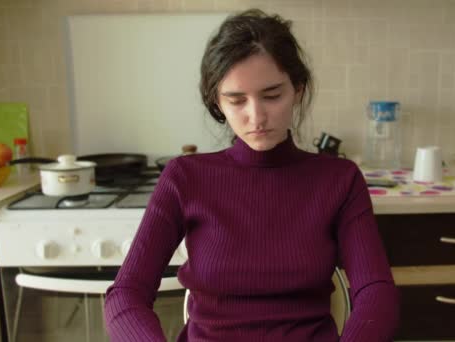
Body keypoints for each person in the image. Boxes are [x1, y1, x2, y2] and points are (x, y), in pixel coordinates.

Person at [104, 9, 399, 342]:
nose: (256, 116)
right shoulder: (184, 177)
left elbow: (376, 293)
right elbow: (126, 294)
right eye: (236, 100)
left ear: (298, 89)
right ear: (217, 102)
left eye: (272, 95)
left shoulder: (339, 180)